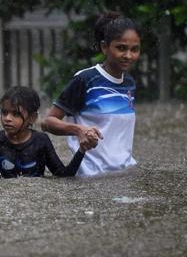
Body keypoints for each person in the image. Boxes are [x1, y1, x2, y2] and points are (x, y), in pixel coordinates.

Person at [41, 11, 141, 177]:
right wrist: (78, 130)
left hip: (125, 175)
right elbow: (47, 122)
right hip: (91, 178)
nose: (128, 55)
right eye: (121, 48)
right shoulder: (85, 80)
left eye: (135, 49)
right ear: (104, 47)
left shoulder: (129, 83)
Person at [0, 86, 88, 178]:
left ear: (32, 118)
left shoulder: (41, 141)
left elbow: (63, 176)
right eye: (4, 112)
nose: (7, 118)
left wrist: (81, 150)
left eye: (15, 114)